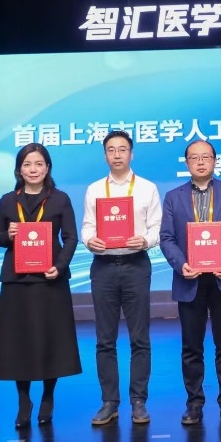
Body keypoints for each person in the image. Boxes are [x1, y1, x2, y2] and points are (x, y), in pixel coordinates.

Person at [0, 143, 83, 429]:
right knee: (19, 341)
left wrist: (60, 266)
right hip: (17, 280)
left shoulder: (60, 199)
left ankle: (48, 396)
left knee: (51, 338)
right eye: (27, 164)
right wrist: (8, 234)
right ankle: (23, 400)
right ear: (19, 170)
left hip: (50, 279)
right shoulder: (7, 200)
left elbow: (71, 237)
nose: (33, 169)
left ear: (47, 167)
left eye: (39, 164)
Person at [159, 140, 221, 426]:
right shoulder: (173, 197)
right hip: (190, 280)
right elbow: (166, 238)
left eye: (206, 157)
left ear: (215, 160)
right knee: (191, 346)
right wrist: (181, 264)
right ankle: (194, 403)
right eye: (194, 158)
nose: (200, 162)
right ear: (186, 163)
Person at [81, 130, 162, 426]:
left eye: (122, 149)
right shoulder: (94, 189)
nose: (117, 154)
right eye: (111, 150)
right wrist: (89, 240)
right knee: (105, 339)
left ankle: (139, 401)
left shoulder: (147, 188)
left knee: (140, 337)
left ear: (131, 154)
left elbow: (157, 228)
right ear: (105, 155)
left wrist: (146, 240)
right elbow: (87, 227)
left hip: (135, 265)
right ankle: (109, 402)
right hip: (103, 266)